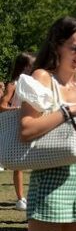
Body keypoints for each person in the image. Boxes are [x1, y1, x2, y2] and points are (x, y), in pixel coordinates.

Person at [18, 16, 76, 231]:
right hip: (50, 174)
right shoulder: (42, 78)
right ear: (58, 45)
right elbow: (27, 129)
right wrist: (71, 110)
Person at [0, 52, 35, 211]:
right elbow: (2, 106)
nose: (34, 68)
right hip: (15, 125)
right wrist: (19, 110)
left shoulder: (34, 83)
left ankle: (34, 195)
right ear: (24, 67)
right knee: (18, 164)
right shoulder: (13, 84)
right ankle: (21, 198)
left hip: (31, 124)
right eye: (31, 65)